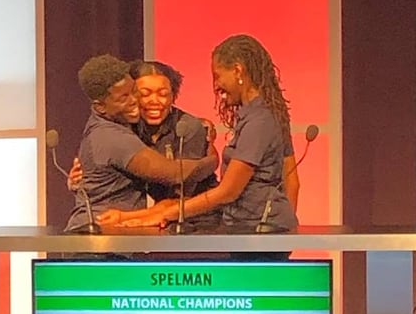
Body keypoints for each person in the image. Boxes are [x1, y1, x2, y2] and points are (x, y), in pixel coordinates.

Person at [101, 34, 299, 232]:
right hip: (245, 228)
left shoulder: (258, 121)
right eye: (145, 94)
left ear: (238, 70)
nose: (216, 85)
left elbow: (228, 191)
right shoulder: (255, 115)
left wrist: (283, 231)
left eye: (218, 76)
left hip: (257, 231)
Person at [64, 54, 217, 232]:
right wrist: (212, 159)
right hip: (102, 230)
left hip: (192, 224)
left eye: (163, 94)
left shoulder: (187, 128)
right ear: (101, 106)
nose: (151, 101)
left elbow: (180, 198)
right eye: (143, 94)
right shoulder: (119, 132)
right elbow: (175, 174)